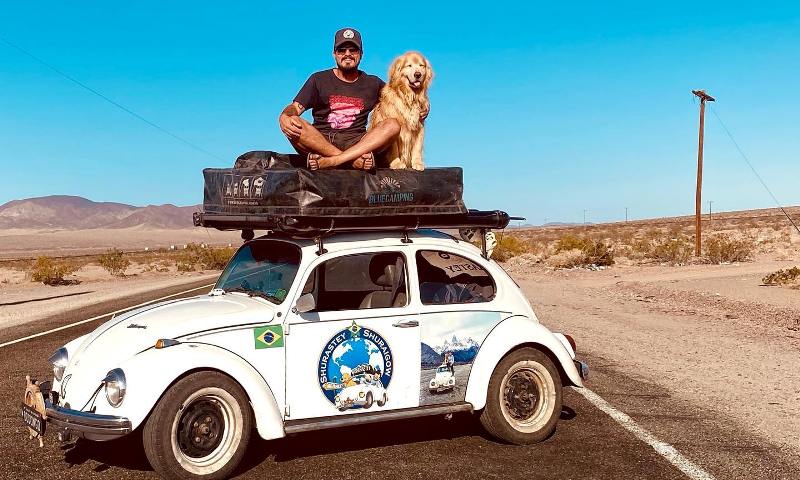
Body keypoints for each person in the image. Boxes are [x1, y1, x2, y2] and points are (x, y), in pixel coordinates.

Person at [278, 28, 401, 170]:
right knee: (293, 120)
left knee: (393, 125)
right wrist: (284, 116)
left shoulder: (373, 83)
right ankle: (350, 161)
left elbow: (401, 101)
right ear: (334, 54)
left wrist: (423, 107)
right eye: (342, 50)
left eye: (353, 50)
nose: (347, 54)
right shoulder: (318, 79)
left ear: (361, 54)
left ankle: (333, 161)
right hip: (321, 140)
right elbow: (295, 107)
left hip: (357, 142)